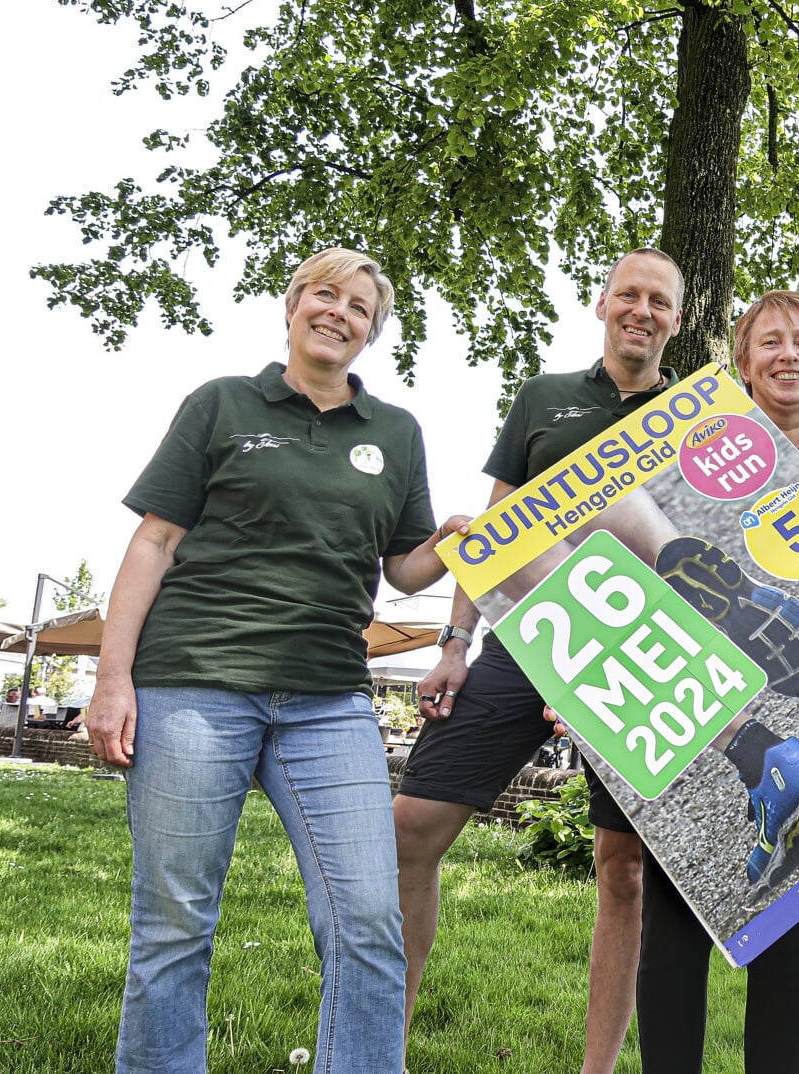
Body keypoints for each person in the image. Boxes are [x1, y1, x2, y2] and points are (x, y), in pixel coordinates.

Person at [85, 247, 468, 1074]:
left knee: (368, 916)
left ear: (372, 332)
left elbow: (403, 568)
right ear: (293, 306)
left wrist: (451, 547)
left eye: (359, 307)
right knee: (176, 919)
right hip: (193, 682)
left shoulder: (396, 433)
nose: (339, 312)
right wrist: (111, 678)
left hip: (327, 699)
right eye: (324, 294)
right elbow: (154, 539)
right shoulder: (221, 404)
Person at [393, 248, 685, 1074]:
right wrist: (456, 641)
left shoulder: (696, 419)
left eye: (658, 300)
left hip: (637, 657)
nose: (641, 309)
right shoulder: (545, 400)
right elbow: (488, 532)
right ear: (601, 304)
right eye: (628, 293)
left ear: (674, 318)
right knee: (411, 827)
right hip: (526, 641)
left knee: (621, 866)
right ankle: (383, 1045)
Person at [633, 290, 799, 1074]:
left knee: (789, 929)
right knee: (673, 920)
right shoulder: (687, 447)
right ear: (743, 365)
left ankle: (732, 607)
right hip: (691, 696)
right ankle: (724, 591)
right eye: (770, 343)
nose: (789, 355)